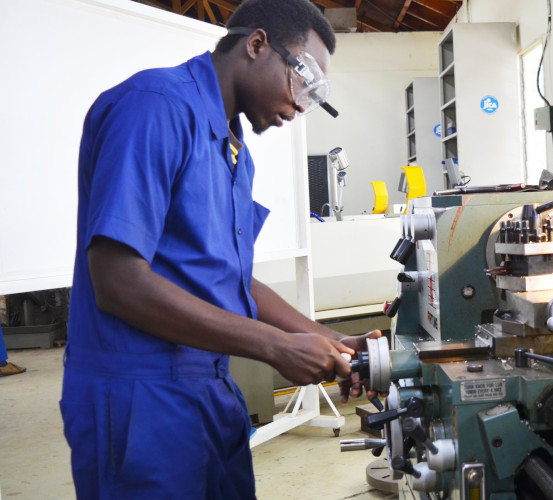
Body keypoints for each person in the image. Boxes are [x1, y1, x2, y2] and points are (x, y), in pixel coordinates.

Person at [60, 0, 378, 497]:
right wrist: (273, 347)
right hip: (140, 396)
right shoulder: (154, 107)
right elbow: (118, 282)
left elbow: (231, 279)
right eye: (302, 83)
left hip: (208, 386)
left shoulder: (233, 151)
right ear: (256, 45)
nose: (299, 107)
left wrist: (332, 340)